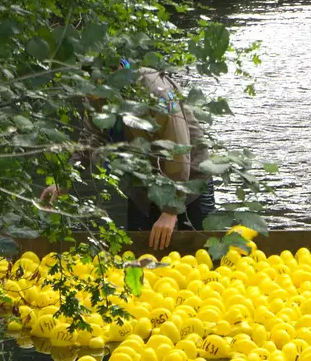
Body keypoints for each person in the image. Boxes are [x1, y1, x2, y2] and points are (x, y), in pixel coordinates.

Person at [45, 63, 215, 251]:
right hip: (142, 184)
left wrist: (170, 210)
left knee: (199, 251)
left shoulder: (155, 92)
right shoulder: (95, 94)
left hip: (190, 180)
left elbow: (179, 150)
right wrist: (65, 181)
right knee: (142, 251)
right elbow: (92, 138)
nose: (90, 95)